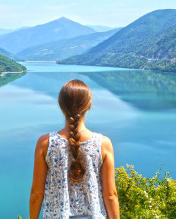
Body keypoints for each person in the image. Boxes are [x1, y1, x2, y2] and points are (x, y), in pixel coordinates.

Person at [29, 79, 120, 219]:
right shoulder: (103, 143)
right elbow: (110, 195)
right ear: (88, 105)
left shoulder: (46, 143)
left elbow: (36, 194)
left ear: (61, 106)